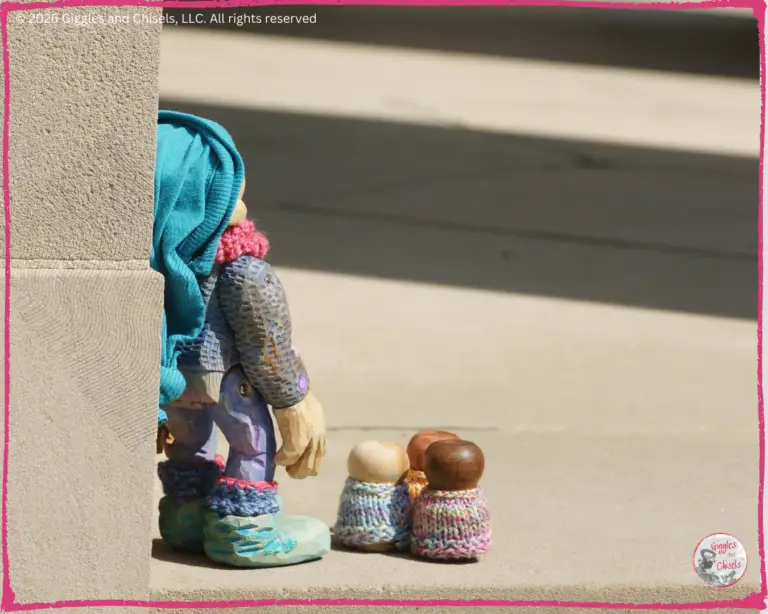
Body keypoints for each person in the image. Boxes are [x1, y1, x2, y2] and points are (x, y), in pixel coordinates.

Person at [151, 110, 329, 568]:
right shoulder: (243, 271)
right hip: (230, 384)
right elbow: (263, 343)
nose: (238, 201)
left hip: (175, 381)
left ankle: (187, 517)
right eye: (226, 187)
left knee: (190, 446)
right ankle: (243, 533)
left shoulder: (160, 266)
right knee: (251, 446)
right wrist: (293, 398)